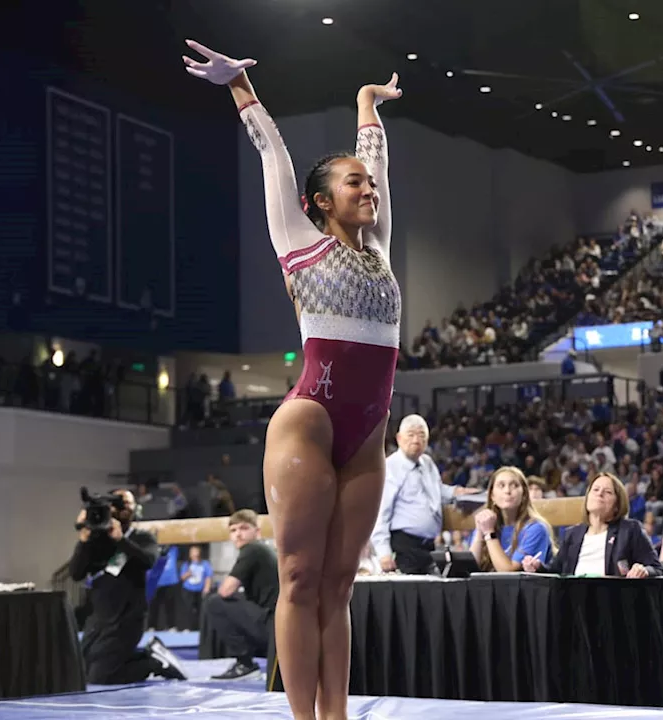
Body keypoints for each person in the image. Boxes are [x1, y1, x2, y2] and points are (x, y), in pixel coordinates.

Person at [183, 40, 403, 720]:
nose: (368, 189)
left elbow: (381, 163)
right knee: (300, 577)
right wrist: (239, 85)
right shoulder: (297, 241)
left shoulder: (381, 249)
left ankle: (336, 716)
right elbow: (271, 153)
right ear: (319, 201)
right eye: (353, 184)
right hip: (309, 420)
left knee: (339, 587)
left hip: (367, 435)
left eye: (369, 183)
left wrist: (368, 105)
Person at [68, 489, 165, 684]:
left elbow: (147, 561)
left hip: (127, 619)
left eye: (129, 504)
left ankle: (151, 662)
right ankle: (138, 656)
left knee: (100, 677)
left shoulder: (143, 538)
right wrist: (84, 540)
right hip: (99, 619)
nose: (126, 508)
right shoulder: (97, 540)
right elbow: (76, 573)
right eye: (121, 504)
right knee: (81, 672)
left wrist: (121, 540)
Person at [371, 414, 471, 575]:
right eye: (411, 435)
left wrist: (456, 491)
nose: (416, 440)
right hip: (404, 545)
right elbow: (380, 511)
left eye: (421, 435)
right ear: (399, 438)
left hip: (429, 545)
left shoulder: (428, 463)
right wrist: (383, 552)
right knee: (409, 595)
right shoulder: (390, 467)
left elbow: (436, 490)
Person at [521, 472, 663, 577]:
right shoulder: (573, 534)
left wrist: (643, 570)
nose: (599, 494)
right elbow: (554, 571)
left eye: (607, 492)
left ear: (617, 505)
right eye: (595, 490)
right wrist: (537, 567)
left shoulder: (629, 530)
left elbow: (657, 569)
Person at [206, 510, 279, 680]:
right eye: (233, 530)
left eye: (244, 528)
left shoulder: (253, 549)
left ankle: (245, 664)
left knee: (215, 603)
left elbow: (226, 590)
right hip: (276, 625)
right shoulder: (263, 550)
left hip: (273, 627)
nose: (238, 534)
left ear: (257, 531)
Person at [468, 466, 559, 571]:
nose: (507, 491)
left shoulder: (536, 528)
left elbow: (509, 573)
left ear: (524, 494)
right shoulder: (488, 523)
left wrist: (489, 534)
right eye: (501, 486)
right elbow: (470, 569)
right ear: (492, 495)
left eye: (514, 485)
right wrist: (480, 531)